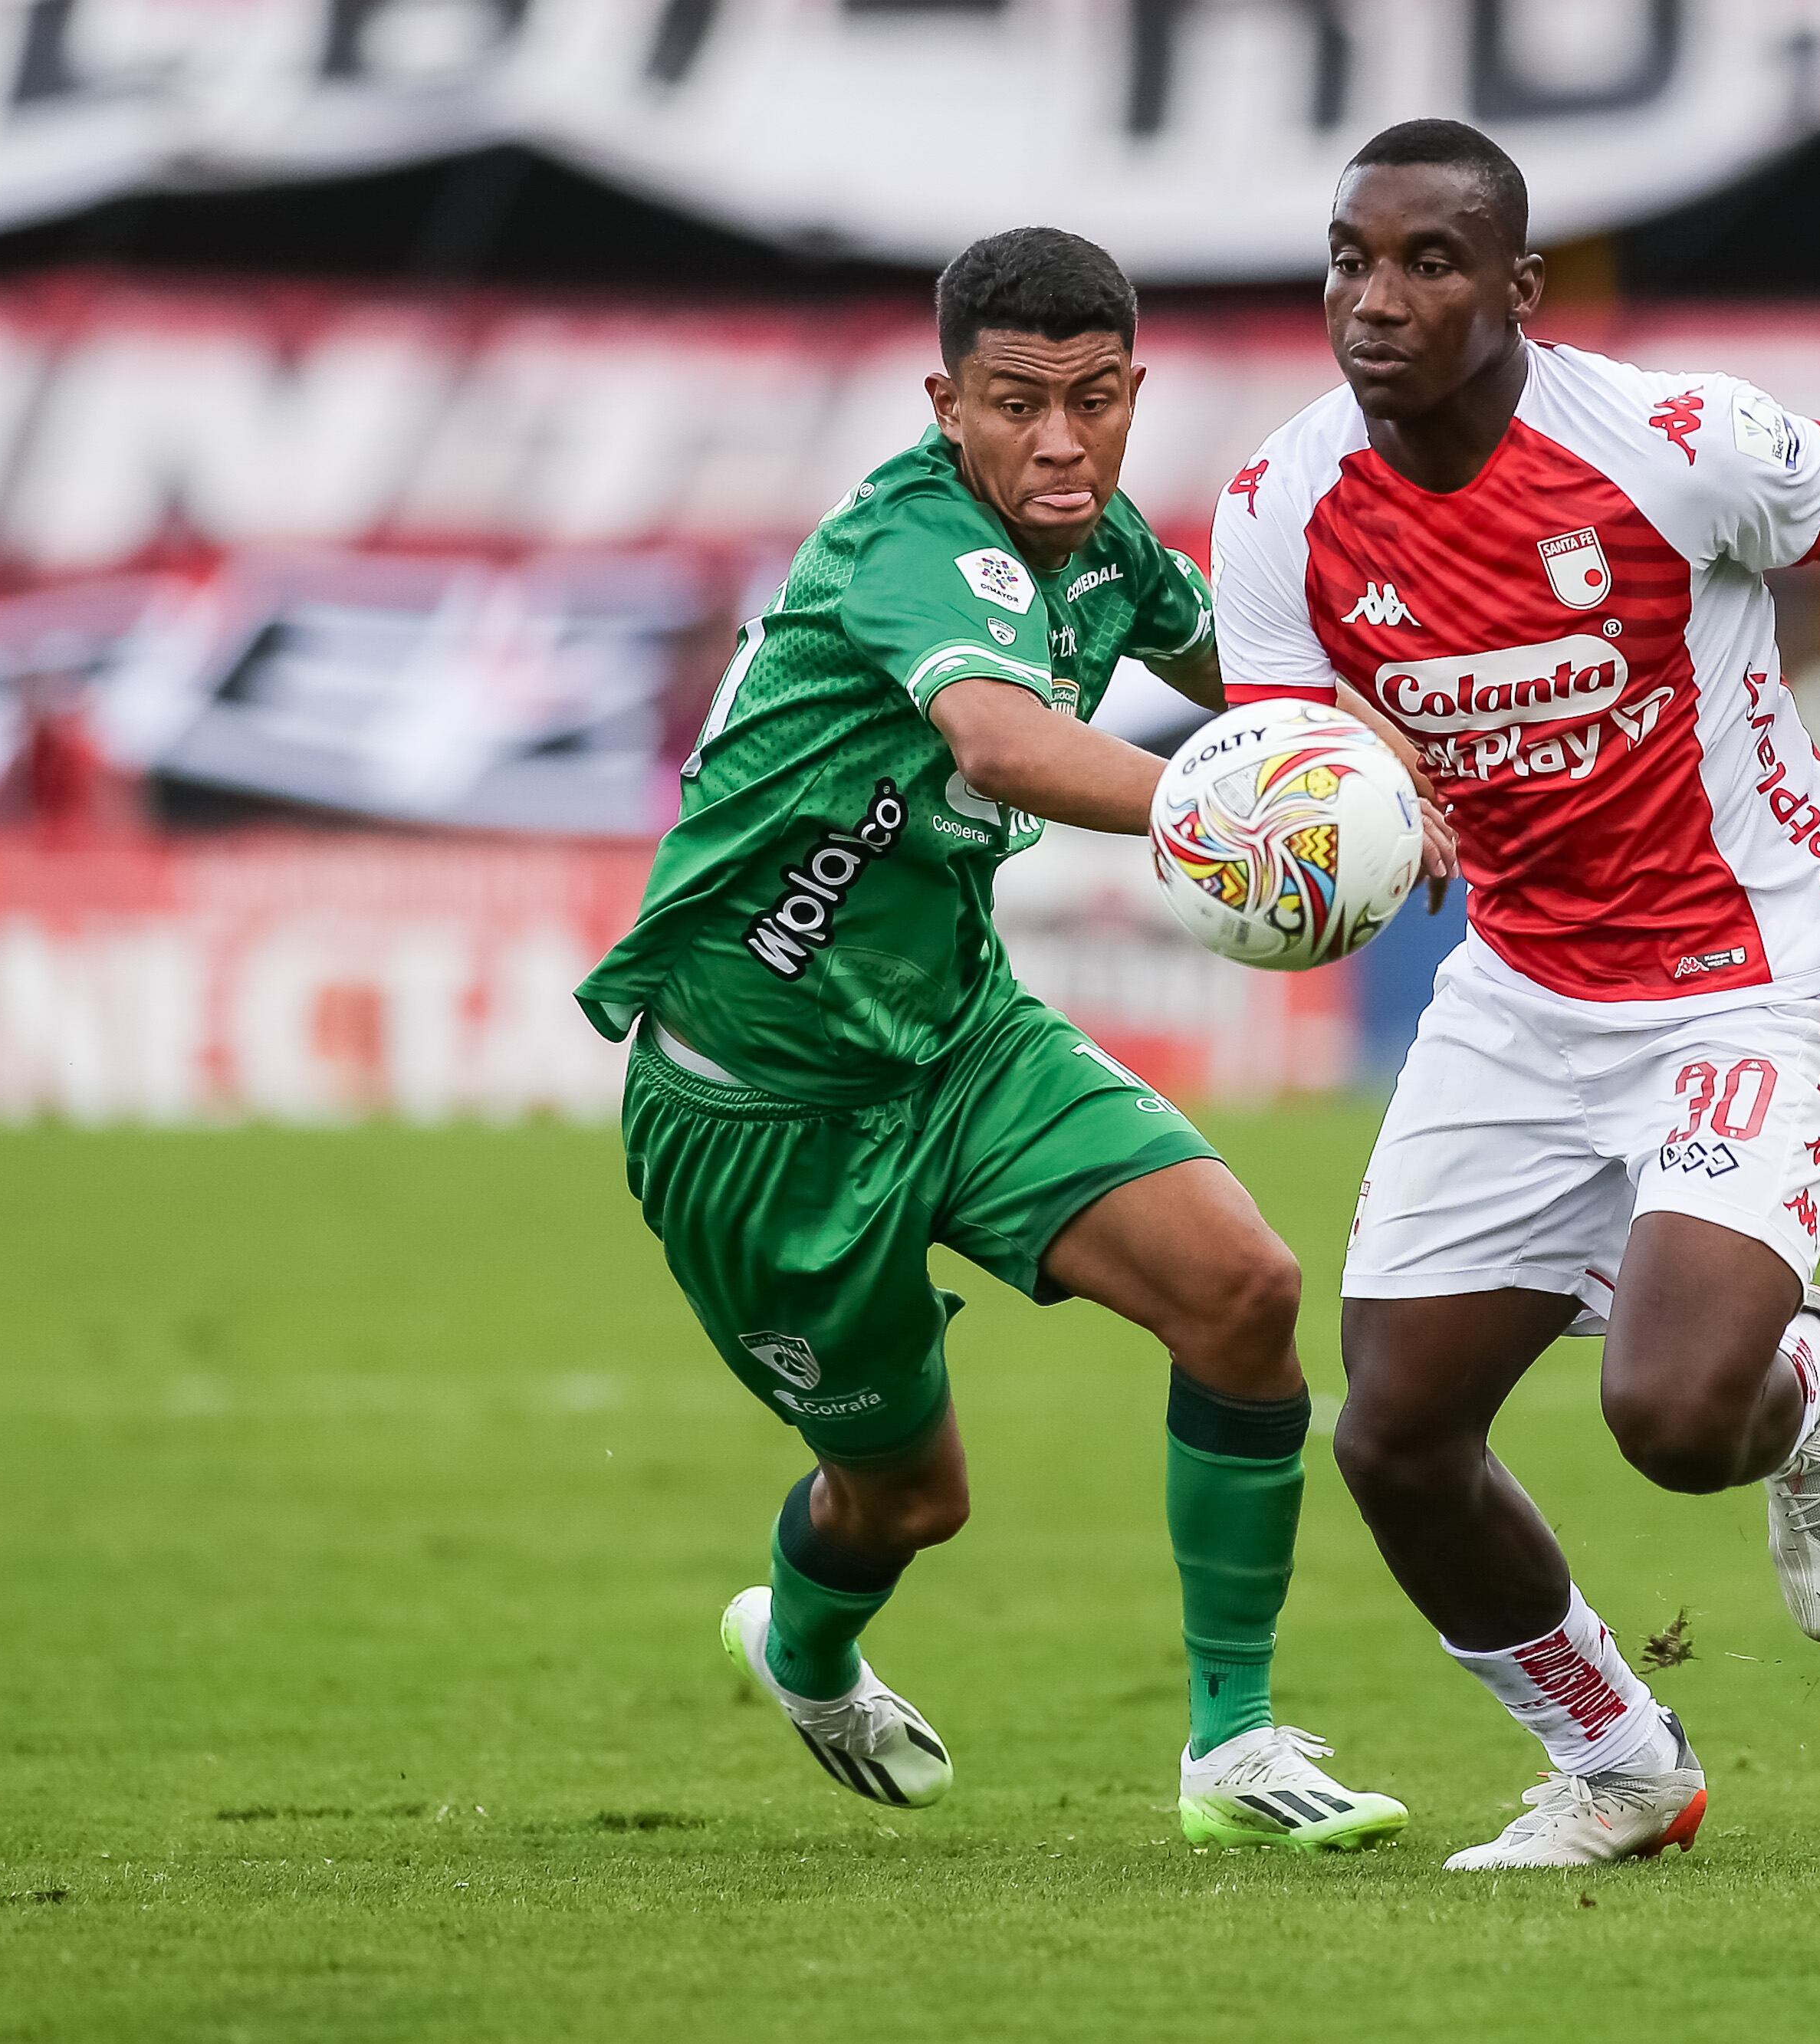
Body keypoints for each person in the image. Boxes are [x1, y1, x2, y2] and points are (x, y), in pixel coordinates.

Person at [1208, 120, 1820, 1870]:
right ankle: (1615, 1760)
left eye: (1427, 263)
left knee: (1676, 1422)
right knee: (1389, 1434)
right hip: (1518, 986)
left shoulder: (1672, 443)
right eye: (1349, 260)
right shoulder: (1278, 503)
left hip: (1739, 973)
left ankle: (1798, 1365)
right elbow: (1298, 754)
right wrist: (1342, 822)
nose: (1375, 301)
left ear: (1517, 289)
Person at [575, 226, 1448, 1852]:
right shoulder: (911, 541)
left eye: (1093, 401)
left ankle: (1232, 1746)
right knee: (911, 1500)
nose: (1059, 443)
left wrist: (1359, 746)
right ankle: (804, 1645)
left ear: (1132, 394)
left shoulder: (1107, 546)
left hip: (957, 1039)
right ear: (944, 403)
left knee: (1245, 1290)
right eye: (1015, 406)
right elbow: (1000, 736)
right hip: (754, 1106)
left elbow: (1245, 670)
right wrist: (1231, 809)